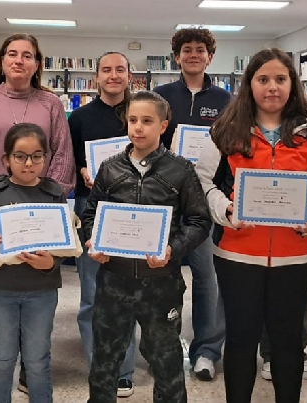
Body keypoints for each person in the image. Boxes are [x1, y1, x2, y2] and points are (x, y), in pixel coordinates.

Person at [196, 47, 307, 403]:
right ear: (250, 84)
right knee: (242, 338)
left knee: (288, 341)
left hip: (296, 256)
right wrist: (226, 210)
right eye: (263, 79)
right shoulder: (225, 129)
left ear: (292, 84)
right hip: (237, 254)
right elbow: (202, 183)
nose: (271, 87)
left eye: (280, 79)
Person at [0, 33, 75, 397]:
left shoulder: (51, 103)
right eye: (12, 54)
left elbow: (62, 156)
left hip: (40, 207)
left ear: (38, 63)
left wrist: (38, 194)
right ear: (2, 61)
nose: (19, 60)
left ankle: (27, 374)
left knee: (36, 310)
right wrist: (1, 192)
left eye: (28, 55)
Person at [82, 91, 211, 403]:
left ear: (163, 126)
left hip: (161, 282)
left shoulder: (180, 170)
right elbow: (90, 214)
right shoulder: (110, 168)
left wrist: (172, 249)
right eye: (132, 120)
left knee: (165, 359)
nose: (138, 127)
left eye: (147, 121)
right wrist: (94, 241)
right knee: (105, 358)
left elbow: (199, 221)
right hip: (114, 280)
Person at [153, 27, 231, 381]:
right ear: (177, 56)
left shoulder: (227, 100)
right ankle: (162, 349)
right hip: (166, 199)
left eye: (200, 50)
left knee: (207, 278)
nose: (194, 55)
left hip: (205, 201)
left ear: (210, 56)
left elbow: (232, 149)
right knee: (162, 274)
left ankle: (206, 352)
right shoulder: (162, 95)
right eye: (187, 50)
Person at [0, 123, 66, 403]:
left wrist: (52, 262)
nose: (29, 163)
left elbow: (64, 242)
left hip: (41, 289)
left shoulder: (54, 194)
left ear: (46, 158)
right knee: (1, 357)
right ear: (6, 160)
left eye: (37, 156)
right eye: (20, 156)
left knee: (37, 359)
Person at [68, 51, 136, 398]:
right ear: (96, 76)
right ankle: (101, 365)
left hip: (133, 209)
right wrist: (80, 171)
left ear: (130, 75)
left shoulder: (141, 113)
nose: (113, 75)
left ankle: (125, 368)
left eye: (119, 69)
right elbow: (69, 162)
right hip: (91, 206)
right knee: (92, 292)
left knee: (126, 293)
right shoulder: (79, 117)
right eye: (106, 70)